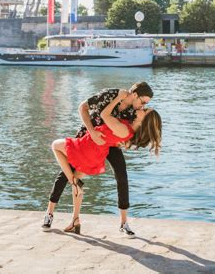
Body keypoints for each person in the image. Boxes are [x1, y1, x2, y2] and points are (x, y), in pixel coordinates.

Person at [42, 81, 154, 237]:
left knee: (122, 175)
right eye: (143, 101)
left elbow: (131, 129)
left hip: (110, 144)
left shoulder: (133, 110)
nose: (142, 106)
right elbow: (82, 107)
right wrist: (92, 132)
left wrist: (124, 143)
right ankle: (50, 214)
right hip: (90, 137)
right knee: (66, 173)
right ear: (134, 94)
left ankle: (123, 223)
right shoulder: (110, 95)